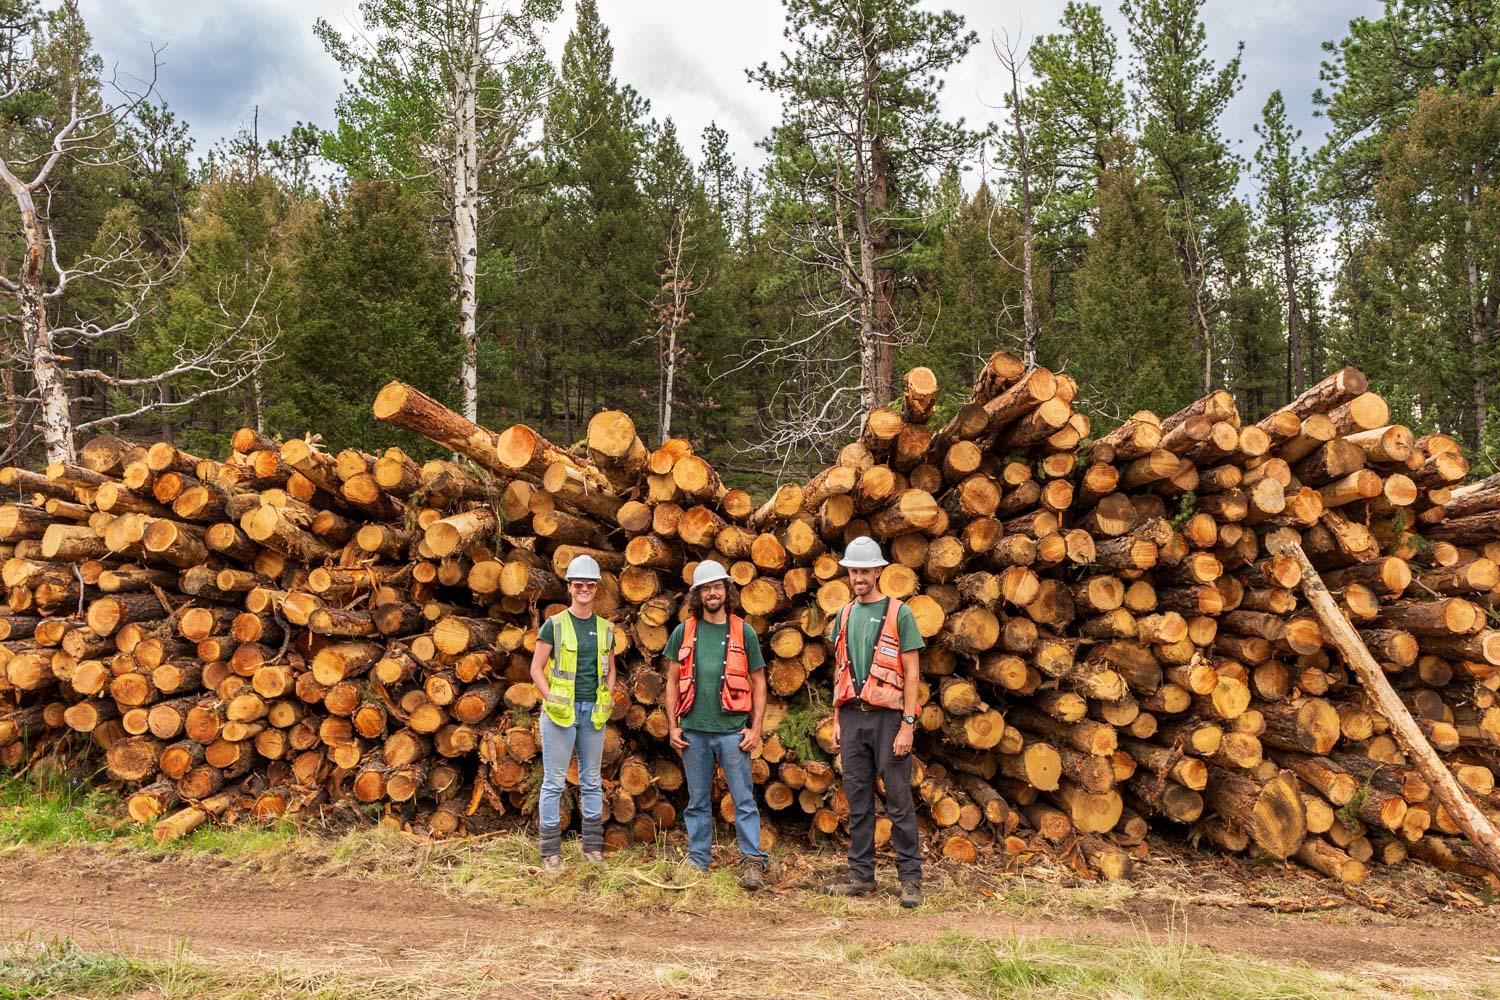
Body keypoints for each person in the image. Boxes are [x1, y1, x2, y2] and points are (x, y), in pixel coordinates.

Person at [822, 535, 926, 908]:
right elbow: (840, 668)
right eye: (853, 570)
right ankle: (861, 876)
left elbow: (912, 672)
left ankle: (910, 880)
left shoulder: (900, 613)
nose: (859, 576)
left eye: (865, 570)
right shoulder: (845, 614)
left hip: (888, 719)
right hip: (852, 718)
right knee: (858, 801)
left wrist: (908, 724)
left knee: (899, 800)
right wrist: (836, 719)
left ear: (879, 571)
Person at [664, 559, 772, 889]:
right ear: (697, 595)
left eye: (717, 587)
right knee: (696, 801)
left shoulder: (744, 631)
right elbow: (670, 681)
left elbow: (760, 683)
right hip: (693, 731)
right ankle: (698, 860)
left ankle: (753, 861)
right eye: (705, 588)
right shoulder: (685, 631)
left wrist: (754, 729)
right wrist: (672, 726)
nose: (712, 593)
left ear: (726, 591)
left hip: (731, 733)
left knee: (743, 800)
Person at [529, 553, 616, 871]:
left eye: (589, 584)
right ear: (570, 587)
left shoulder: (606, 629)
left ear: (596, 588)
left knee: (592, 780)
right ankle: (550, 853)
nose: (584, 589)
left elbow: (610, 669)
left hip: (593, 713)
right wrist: (551, 697)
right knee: (553, 782)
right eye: (578, 584)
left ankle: (592, 849)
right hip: (560, 714)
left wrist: (606, 696)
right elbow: (536, 668)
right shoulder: (554, 625)